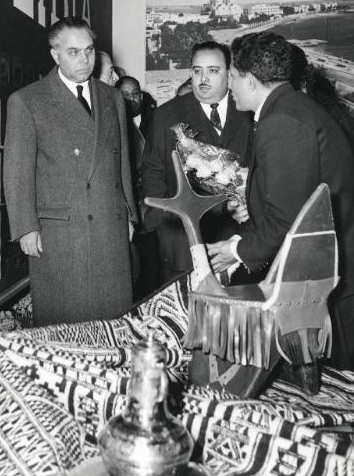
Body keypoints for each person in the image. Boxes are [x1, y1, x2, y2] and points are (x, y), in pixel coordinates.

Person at [207, 31, 354, 370]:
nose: (229, 86)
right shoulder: (292, 107)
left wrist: (235, 250)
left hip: (325, 281)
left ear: (251, 79)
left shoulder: (281, 121)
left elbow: (287, 223)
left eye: (231, 77)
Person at [4, 17, 137, 326]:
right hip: (61, 231)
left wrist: (129, 213)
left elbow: (122, 163)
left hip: (110, 223)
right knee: (65, 324)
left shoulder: (113, 97)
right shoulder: (28, 100)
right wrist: (25, 227)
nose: (84, 59)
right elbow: (17, 171)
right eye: (73, 52)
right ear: (55, 54)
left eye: (89, 50)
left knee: (113, 322)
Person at [141, 40, 253, 283]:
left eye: (213, 71)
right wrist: (163, 225)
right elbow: (152, 172)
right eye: (197, 70)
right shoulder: (167, 115)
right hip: (183, 241)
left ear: (230, 73)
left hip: (241, 240)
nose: (203, 78)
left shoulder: (248, 111)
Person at [117, 76, 161, 298]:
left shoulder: (156, 120)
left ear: (141, 95)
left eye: (134, 94)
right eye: (124, 95)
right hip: (128, 201)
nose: (130, 100)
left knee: (153, 259)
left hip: (152, 200)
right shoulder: (114, 123)